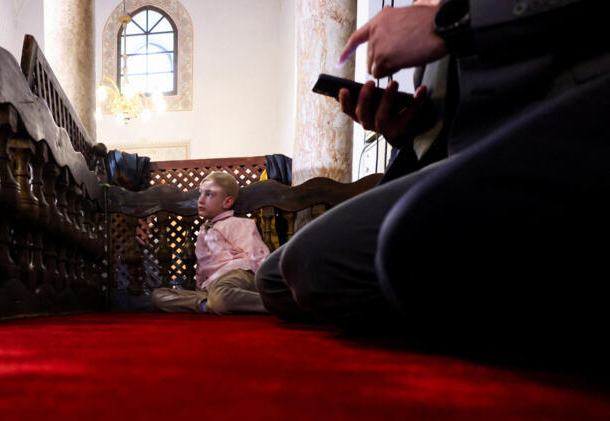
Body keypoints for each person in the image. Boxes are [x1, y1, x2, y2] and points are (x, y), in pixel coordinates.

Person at [256, 0, 609, 359]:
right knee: (276, 278)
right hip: (465, 161)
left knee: (332, 261)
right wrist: (401, 131)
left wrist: (452, 22)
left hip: (568, 132)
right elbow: (450, 125)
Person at [152, 171, 270, 314]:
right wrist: (200, 287)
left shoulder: (238, 223)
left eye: (209, 194)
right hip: (212, 286)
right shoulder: (203, 231)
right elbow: (202, 266)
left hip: (236, 274)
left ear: (227, 202)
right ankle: (207, 304)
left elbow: (256, 253)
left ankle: (277, 304)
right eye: (200, 194)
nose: (200, 200)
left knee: (222, 295)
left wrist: (266, 284)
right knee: (158, 295)